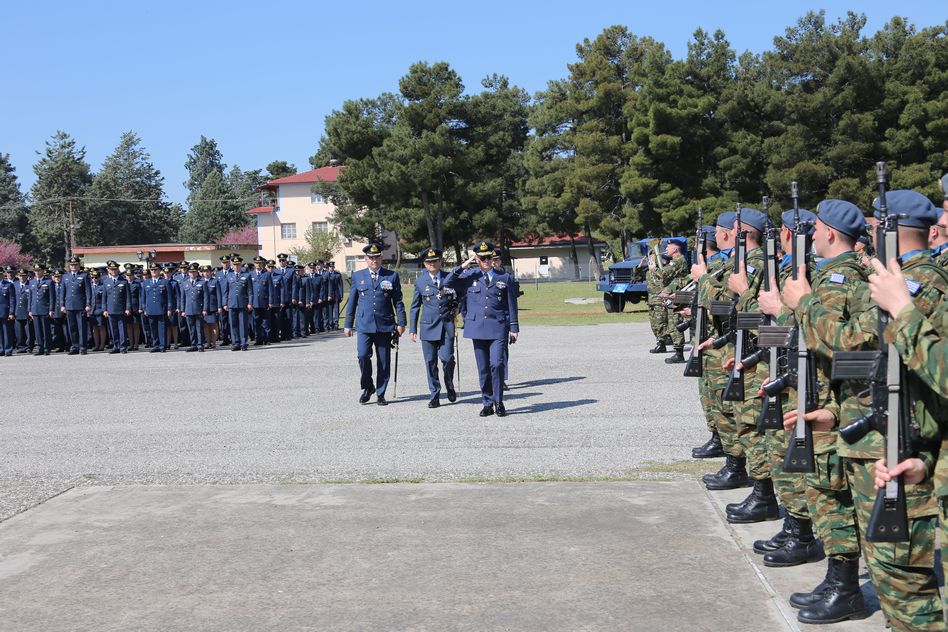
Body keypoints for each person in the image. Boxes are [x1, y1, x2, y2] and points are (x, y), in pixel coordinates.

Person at [443, 241, 520, 417]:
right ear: (477, 259)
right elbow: (447, 283)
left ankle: (498, 401)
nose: (486, 260)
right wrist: (464, 265)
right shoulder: (470, 276)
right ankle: (487, 402)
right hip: (477, 327)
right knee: (483, 368)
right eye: (482, 258)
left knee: (497, 363)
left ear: (493, 258)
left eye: (488, 257)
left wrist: (514, 327)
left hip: (498, 326)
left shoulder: (504, 278)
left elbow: (511, 304)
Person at [343, 243, 406, 406]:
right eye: (371, 258)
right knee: (363, 356)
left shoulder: (391, 276)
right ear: (366, 259)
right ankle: (368, 386)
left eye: (376, 257)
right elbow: (352, 302)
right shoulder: (358, 276)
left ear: (381, 258)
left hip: (384, 324)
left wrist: (401, 322)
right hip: (364, 324)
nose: (374, 260)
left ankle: (381, 393)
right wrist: (348, 324)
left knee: (383, 360)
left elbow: (398, 301)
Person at [409, 247, 457, 407]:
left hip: (446, 326)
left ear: (440, 261)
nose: (433, 264)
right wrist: (412, 328)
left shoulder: (449, 278)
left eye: (435, 261)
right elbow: (415, 306)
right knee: (430, 362)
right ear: (424, 264)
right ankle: (435, 394)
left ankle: (449, 384)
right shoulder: (420, 281)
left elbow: (459, 296)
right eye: (429, 262)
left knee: (447, 359)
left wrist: (458, 307)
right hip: (428, 327)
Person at [59, 256, 91, 355]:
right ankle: (75, 346)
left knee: (81, 327)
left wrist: (88, 304)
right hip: (69, 305)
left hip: (80, 305)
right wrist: (62, 305)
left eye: (75, 265)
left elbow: (88, 291)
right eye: (72, 265)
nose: (73, 266)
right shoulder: (65, 276)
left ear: (78, 265)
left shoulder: (84, 275)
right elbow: (62, 292)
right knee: (72, 327)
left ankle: (83, 346)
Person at [223, 255, 252, 351]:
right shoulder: (229, 276)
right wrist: (225, 303)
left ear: (241, 265)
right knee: (233, 324)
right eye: (234, 265)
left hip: (243, 303)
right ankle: (236, 342)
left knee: (243, 324)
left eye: (238, 265)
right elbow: (226, 291)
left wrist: (250, 303)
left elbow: (250, 291)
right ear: (232, 265)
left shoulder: (246, 275)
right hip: (232, 303)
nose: (236, 266)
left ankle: (244, 343)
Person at [102, 261, 131, 354]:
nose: (113, 271)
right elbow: (104, 297)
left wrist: (128, 308)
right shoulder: (106, 281)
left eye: (115, 269)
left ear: (118, 269)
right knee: (113, 329)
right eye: (112, 269)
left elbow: (128, 296)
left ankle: (123, 347)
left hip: (121, 309)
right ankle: (116, 346)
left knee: (122, 329)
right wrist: (104, 309)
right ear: (109, 270)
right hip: (110, 309)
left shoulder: (123, 281)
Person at [141, 263, 170, 352]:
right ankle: (155, 345)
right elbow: (143, 297)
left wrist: (169, 308)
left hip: (161, 308)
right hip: (150, 309)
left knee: (162, 328)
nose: (153, 271)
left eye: (155, 270)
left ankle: (162, 345)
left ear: (159, 271)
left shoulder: (165, 282)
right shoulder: (146, 282)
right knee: (153, 328)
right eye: (152, 270)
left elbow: (169, 297)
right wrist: (144, 308)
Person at [28, 263, 55, 355]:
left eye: (39, 271)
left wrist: (51, 309)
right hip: (35, 309)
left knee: (45, 329)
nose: (37, 273)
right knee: (37, 330)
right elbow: (30, 298)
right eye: (36, 271)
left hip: (44, 309)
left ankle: (47, 347)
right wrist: (30, 310)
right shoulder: (31, 282)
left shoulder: (49, 282)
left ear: (43, 271)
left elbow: (52, 297)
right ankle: (40, 347)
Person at [249, 256, 273, 345]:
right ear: (254, 264)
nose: (258, 264)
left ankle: (266, 339)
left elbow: (270, 289)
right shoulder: (251, 274)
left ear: (262, 264)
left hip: (264, 301)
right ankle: (258, 339)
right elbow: (249, 290)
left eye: (259, 263)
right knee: (256, 322)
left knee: (265, 321)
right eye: (256, 263)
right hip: (255, 302)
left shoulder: (267, 274)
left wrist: (270, 301)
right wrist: (250, 303)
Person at [201, 265, 222, 348]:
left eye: (208, 271)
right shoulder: (201, 282)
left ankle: (214, 342)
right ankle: (208, 342)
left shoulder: (215, 282)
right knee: (206, 325)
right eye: (204, 272)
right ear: (202, 273)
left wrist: (219, 306)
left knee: (213, 324)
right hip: (204, 307)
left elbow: (219, 295)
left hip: (213, 306)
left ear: (211, 272)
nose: (206, 273)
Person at [88, 269, 106, 351]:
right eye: (92, 277)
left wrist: (104, 309)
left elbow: (104, 299)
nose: (94, 279)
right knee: (94, 328)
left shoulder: (102, 286)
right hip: (92, 310)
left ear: (99, 278)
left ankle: (102, 345)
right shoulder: (89, 287)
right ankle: (96, 345)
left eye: (96, 277)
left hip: (100, 309)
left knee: (101, 327)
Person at [0, 266, 15, 356]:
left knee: (7, 332)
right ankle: (1, 349)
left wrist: (11, 312)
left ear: (3, 274)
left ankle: (8, 349)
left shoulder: (9, 285)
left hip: (5, 312)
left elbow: (12, 300)